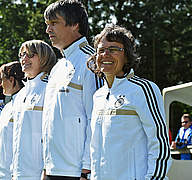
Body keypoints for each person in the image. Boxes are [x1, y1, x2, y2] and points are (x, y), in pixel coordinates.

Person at [87, 24, 172, 179]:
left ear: (126, 55)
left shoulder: (143, 89)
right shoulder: (98, 95)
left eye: (113, 49)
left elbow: (159, 143)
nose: (105, 54)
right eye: (101, 50)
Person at [42, 1, 101, 179]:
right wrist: (46, 166)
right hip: (54, 169)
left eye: (54, 23)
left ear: (75, 24)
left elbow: (97, 119)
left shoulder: (92, 63)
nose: (48, 30)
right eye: (47, 24)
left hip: (77, 172)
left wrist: (87, 168)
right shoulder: (57, 68)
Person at [12, 40, 56, 180]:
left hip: (40, 172)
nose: (24, 59)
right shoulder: (20, 95)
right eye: (22, 55)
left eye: (30, 55)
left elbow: (54, 133)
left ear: (44, 57)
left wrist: (46, 169)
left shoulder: (50, 88)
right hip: (19, 172)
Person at [0, 61, 25, 180]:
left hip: (17, 174)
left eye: (2, 80)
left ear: (12, 80)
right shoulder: (7, 107)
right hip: (4, 174)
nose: (0, 84)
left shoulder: (24, 104)